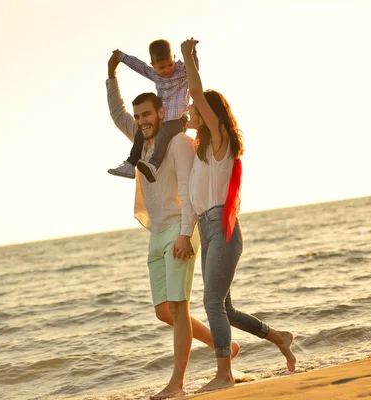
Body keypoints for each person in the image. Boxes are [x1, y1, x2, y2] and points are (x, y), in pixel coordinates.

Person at [106, 52, 238, 400]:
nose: (141, 120)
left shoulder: (179, 141)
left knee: (180, 307)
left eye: (147, 114)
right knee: (164, 311)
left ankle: (176, 385)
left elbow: (187, 189)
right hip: (155, 232)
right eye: (138, 117)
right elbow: (117, 113)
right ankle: (224, 345)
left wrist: (184, 233)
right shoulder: (141, 141)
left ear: (162, 112)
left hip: (178, 231)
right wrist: (111, 77)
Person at [180, 38, 297, 393]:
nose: (190, 111)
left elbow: (199, 94)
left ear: (210, 114)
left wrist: (187, 59)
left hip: (223, 229)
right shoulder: (201, 153)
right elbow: (184, 114)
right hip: (207, 228)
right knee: (224, 308)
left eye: (195, 109)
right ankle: (280, 338)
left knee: (211, 302)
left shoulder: (220, 143)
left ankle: (223, 374)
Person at [107, 39, 199, 183]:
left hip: (178, 120)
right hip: (161, 120)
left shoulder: (182, 71)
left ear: (174, 58)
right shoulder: (156, 75)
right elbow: (139, 66)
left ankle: (154, 165)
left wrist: (191, 51)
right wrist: (121, 56)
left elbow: (194, 68)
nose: (167, 70)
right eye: (162, 67)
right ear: (154, 66)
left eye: (170, 64)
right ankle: (131, 164)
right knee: (140, 132)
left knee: (163, 134)